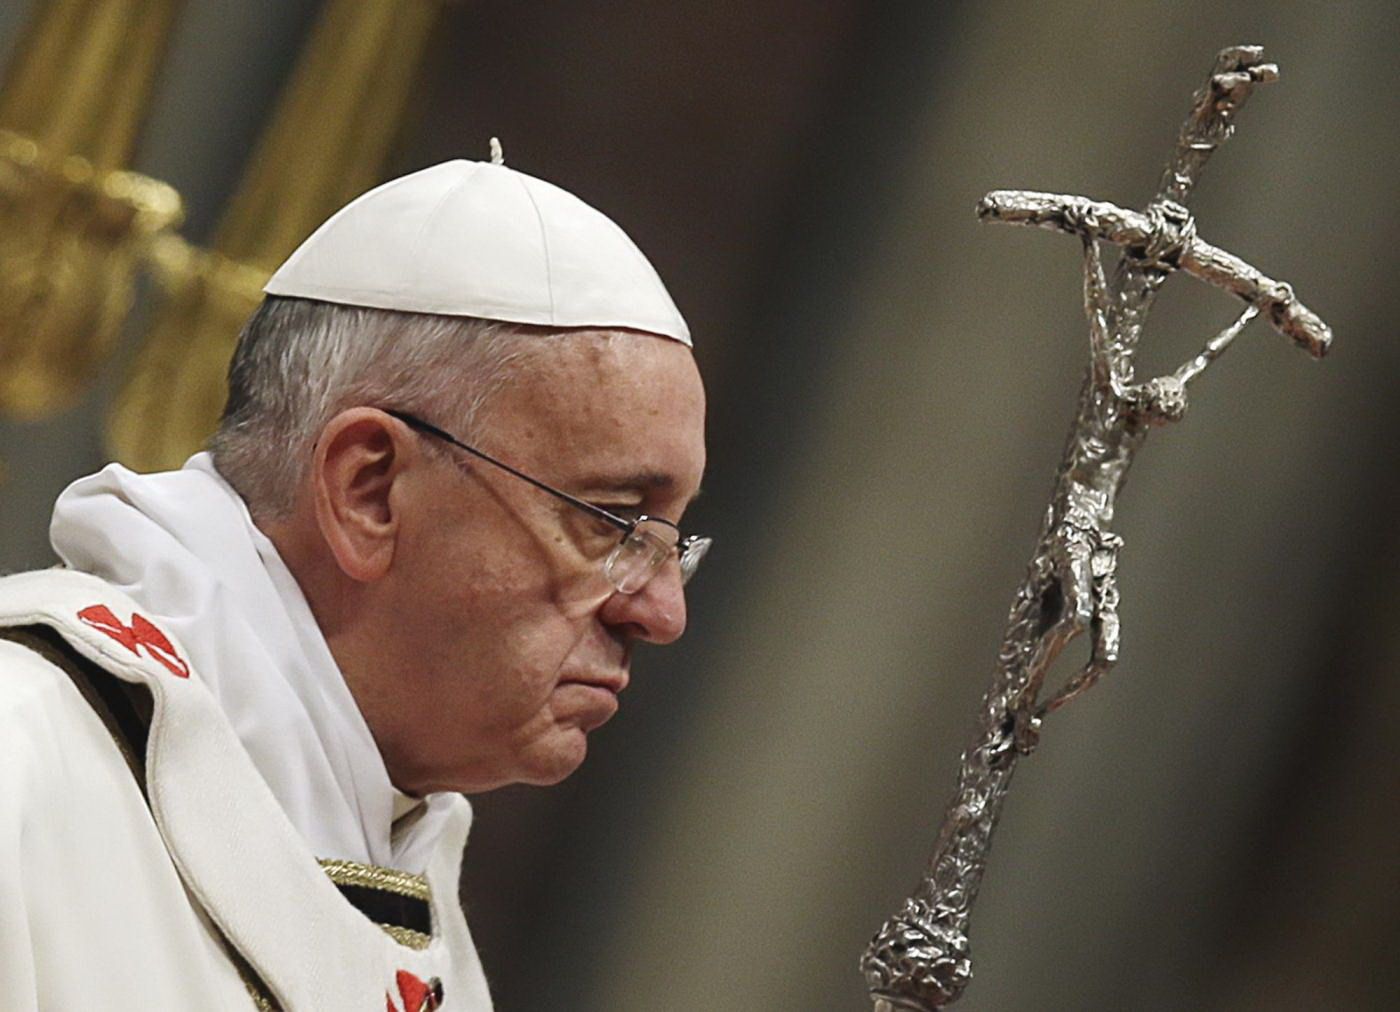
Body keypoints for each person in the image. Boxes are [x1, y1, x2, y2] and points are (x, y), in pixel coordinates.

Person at [0, 157, 708, 1010]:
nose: (661, 611)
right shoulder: (24, 762)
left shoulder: (402, 870)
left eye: (672, 541)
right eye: (612, 520)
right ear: (369, 490)